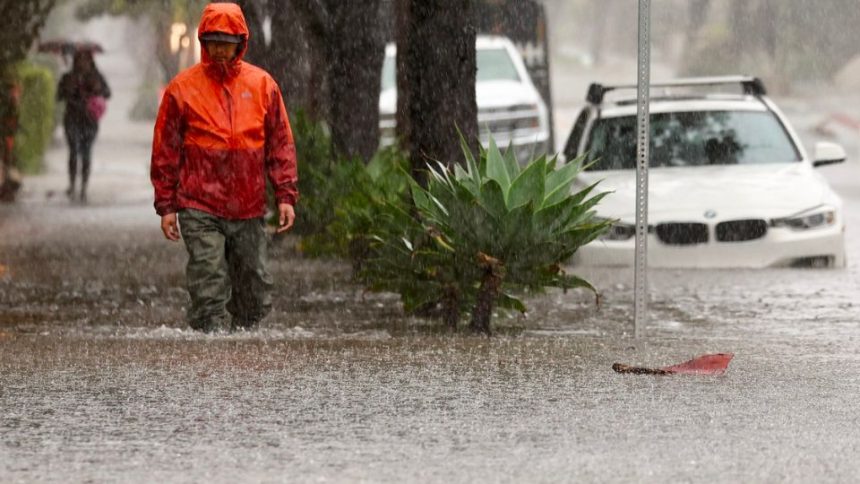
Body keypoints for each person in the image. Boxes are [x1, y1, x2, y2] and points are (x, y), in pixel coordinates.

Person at [150, 3, 298, 333]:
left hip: (248, 205)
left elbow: (280, 144)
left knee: (254, 289)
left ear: (240, 43)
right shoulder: (182, 89)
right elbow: (166, 151)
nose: (220, 50)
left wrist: (285, 194)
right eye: (214, 41)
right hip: (198, 203)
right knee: (207, 282)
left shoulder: (263, 86)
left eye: (227, 42)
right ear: (203, 41)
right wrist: (167, 206)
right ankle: (211, 343)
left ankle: (242, 339)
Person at [57, 50, 110, 202]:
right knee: (73, 151)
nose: (82, 63)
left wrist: (97, 88)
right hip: (72, 119)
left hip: (89, 121)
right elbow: (59, 95)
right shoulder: (68, 77)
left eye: (85, 59)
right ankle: (72, 185)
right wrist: (68, 89)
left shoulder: (96, 77)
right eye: (79, 59)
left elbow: (107, 93)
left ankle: (83, 188)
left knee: (86, 153)